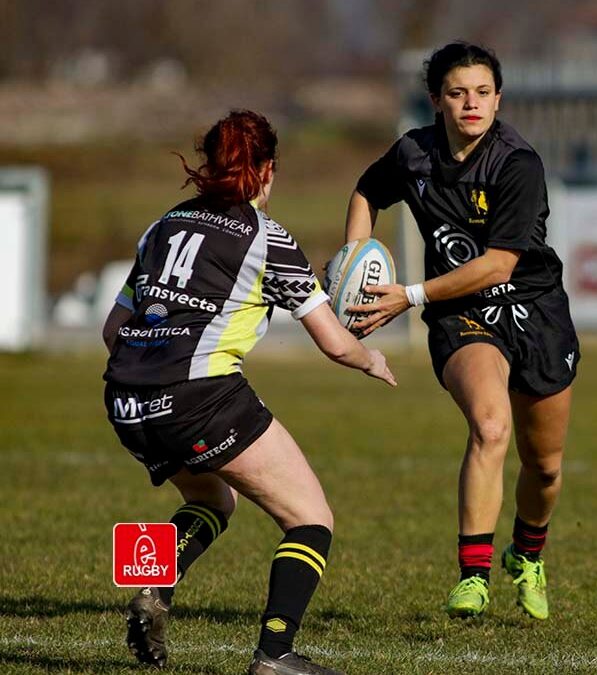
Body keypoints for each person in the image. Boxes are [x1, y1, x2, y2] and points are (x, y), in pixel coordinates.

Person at [103, 109, 395, 675]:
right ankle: (275, 655)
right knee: (311, 519)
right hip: (200, 397)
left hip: (126, 398)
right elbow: (335, 344)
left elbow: (112, 330)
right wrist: (371, 359)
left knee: (213, 500)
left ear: (208, 166)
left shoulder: (164, 226)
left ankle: (151, 591)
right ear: (267, 170)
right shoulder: (269, 240)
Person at [343, 42, 580, 620]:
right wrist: (354, 255)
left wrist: (411, 294)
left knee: (544, 465)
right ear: (436, 101)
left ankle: (527, 555)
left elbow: (500, 263)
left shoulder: (517, 162)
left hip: (535, 310)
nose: (470, 103)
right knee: (490, 426)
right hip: (462, 316)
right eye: (457, 93)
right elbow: (369, 190)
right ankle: (472, 575)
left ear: (498, 99)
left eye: (481, 92)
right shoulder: (415, 154)